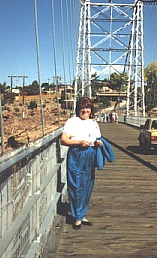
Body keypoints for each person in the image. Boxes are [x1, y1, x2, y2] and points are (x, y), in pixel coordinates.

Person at [61, 97, 103, 230]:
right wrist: (79, 142)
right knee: (75, 185)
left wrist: (99, 142)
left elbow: (97, 138)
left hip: (90, 155)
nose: (85, 110)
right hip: (76, 154)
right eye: (82, 108)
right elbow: (63, 140)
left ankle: (81, 214)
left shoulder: (94, 123)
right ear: (78, 109)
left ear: (91, 110)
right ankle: (77, 216)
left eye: (88, 108)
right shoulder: (72, 122)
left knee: (87, 186)